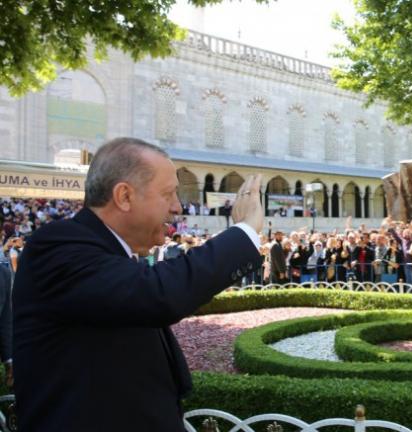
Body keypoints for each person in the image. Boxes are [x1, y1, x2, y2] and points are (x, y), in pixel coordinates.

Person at [12, 137, 264, 431]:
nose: (177, 208)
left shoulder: (110, 254)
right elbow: (158, 294)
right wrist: (244, 231)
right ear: (124, 196)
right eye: (169, 194)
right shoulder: (57, 246)